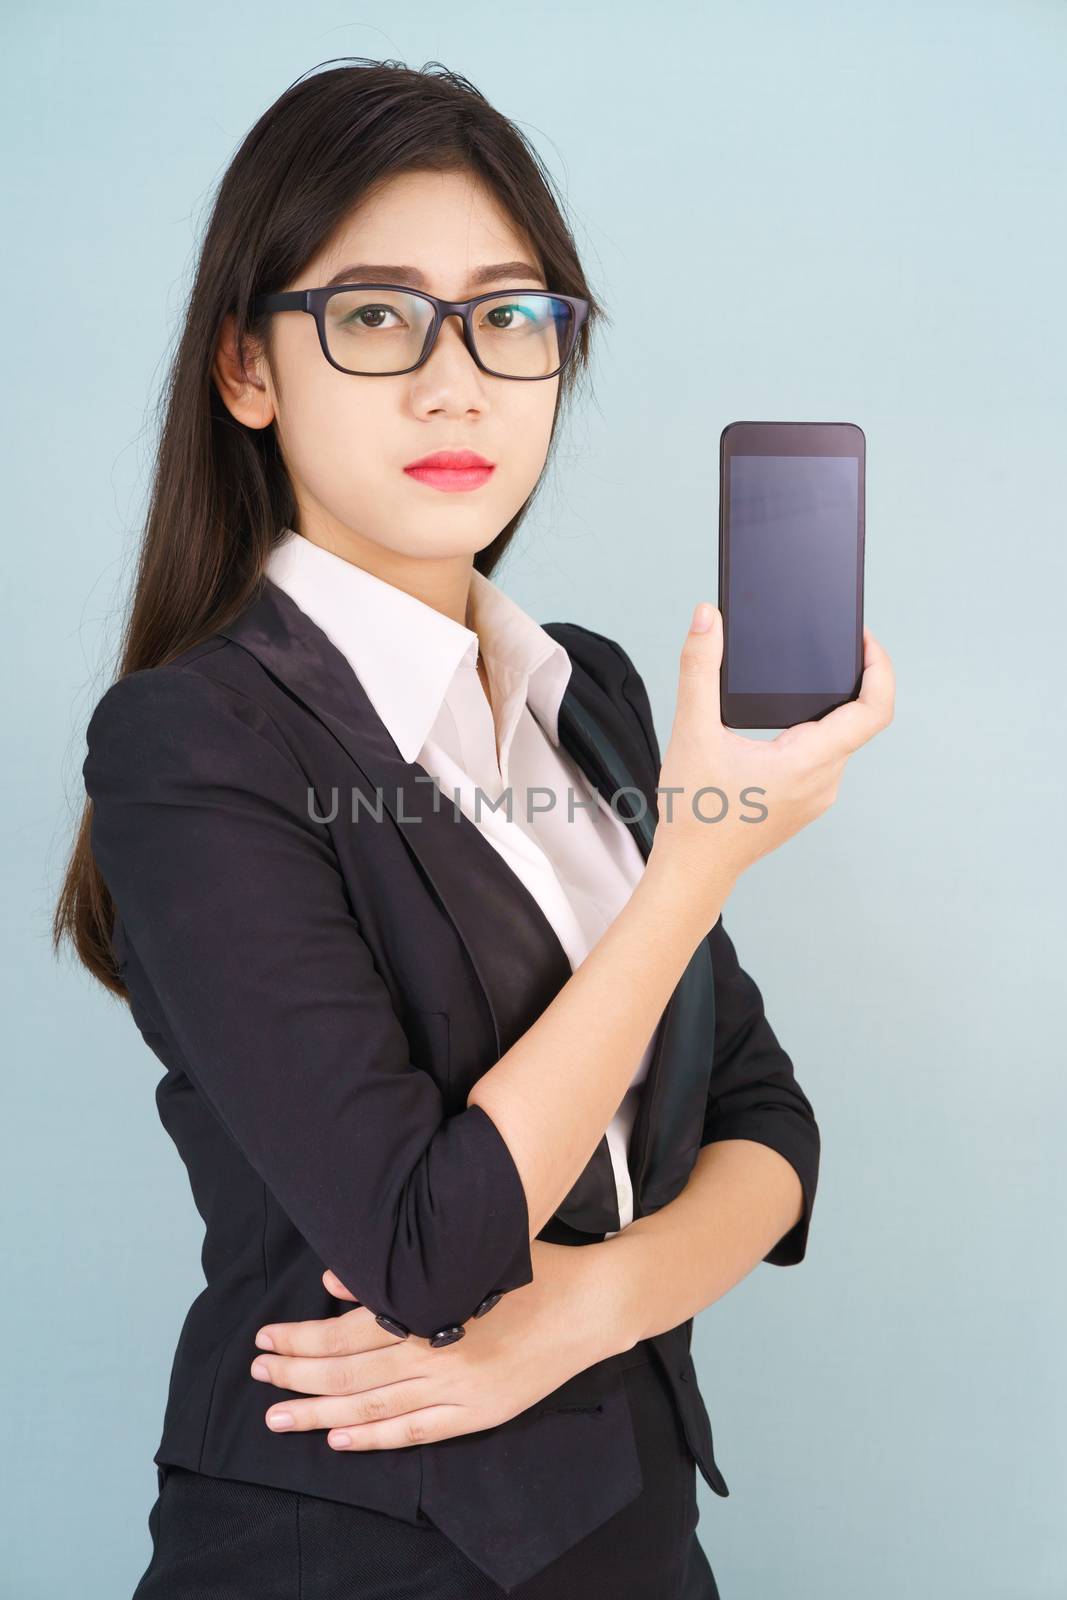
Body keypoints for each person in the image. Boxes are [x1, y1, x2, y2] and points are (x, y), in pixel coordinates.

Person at [54, 57, 894, 1600]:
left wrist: (583, 1309)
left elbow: (770, 1134)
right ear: (249, 369)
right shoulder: (193, 744)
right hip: (352, 1550)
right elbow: (427, 1254)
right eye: (376, 315)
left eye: (512, 318)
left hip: (631, 1531)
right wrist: (697, 861)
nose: (460, 382)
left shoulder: (598, 700)